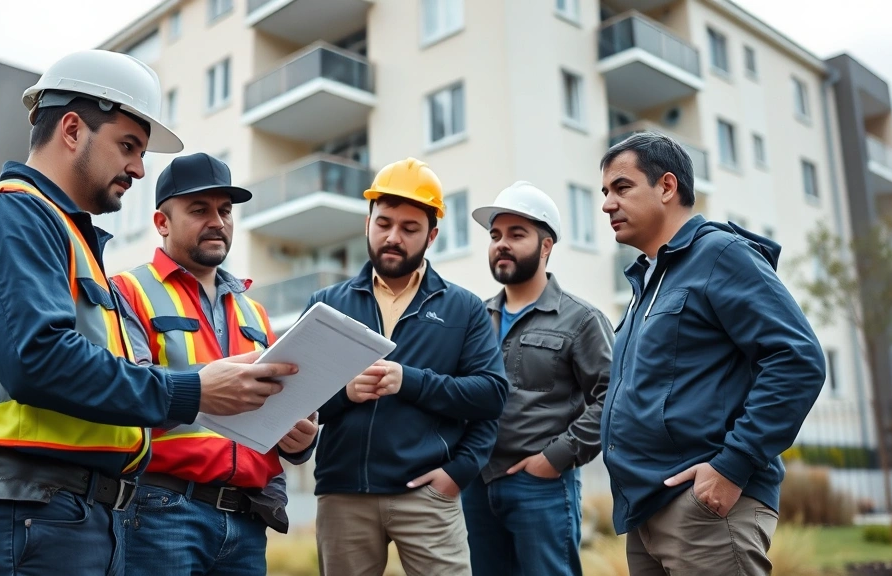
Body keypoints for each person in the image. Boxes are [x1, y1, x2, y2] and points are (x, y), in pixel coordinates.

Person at [0, 50, 296, 576]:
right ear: (72, 129)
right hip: (17, 511)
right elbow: (39, 360)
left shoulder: (65, 238)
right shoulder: (12, 215)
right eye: (128, 146)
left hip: (61, 514)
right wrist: (194, 390)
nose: (139, 169)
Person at [598, 132, 827, 574]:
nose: (608, 203)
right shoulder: (647, 282)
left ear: (667, 187)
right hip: (646, 511)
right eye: (605, 192)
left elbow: (797, 359)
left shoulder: (720, 254)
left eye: (622, 188)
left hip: (705, 509)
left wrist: (731, 465)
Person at [110, 153, 318, 576]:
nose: (218, 221)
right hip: (161, 511)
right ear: (161, 222)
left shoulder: (255, 314)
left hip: (246, 518)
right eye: (199, 210)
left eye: (225, 210)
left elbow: (279, 410)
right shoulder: (127, 292)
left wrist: (299, 440)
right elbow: (123, 396)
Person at [308, 157, 508, 576]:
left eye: (410, 228)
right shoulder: (326, 305)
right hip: (343, 495)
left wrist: (456, 472)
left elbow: (490, 396)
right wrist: (345, 394)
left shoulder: (464, 308)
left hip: (427, 496)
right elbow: (297, 402)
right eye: (384, 223)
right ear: (368, 223)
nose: (393, 237)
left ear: (432, 235)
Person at [462, 181, 613, 576]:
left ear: (546, 246)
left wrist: (555, 459)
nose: (501, 244)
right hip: (476, 485)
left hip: (542, 487)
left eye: (516, 234)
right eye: (495, 236)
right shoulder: (476, 319)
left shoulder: (581, 320)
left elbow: (612, 399)